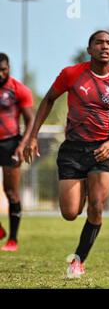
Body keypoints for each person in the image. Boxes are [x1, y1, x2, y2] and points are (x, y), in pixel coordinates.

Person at [24, 31, 109, 278]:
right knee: (70, 213)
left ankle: (79, 260)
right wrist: (32, 135)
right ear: (89, 49)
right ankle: (82, 187)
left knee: (96, 207)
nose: (105, 46)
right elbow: (48, 99)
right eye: (99, 43)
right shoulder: (71, 74)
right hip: (72, 150)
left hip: (101, 150)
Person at [0, 53, 35, 252]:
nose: (0, 73)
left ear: (9, 68)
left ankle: (13, 239)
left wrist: (22, 144)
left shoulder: (17, 89)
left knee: (11, 192)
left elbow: (30, 119)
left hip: (11, 143)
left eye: (3, 69)